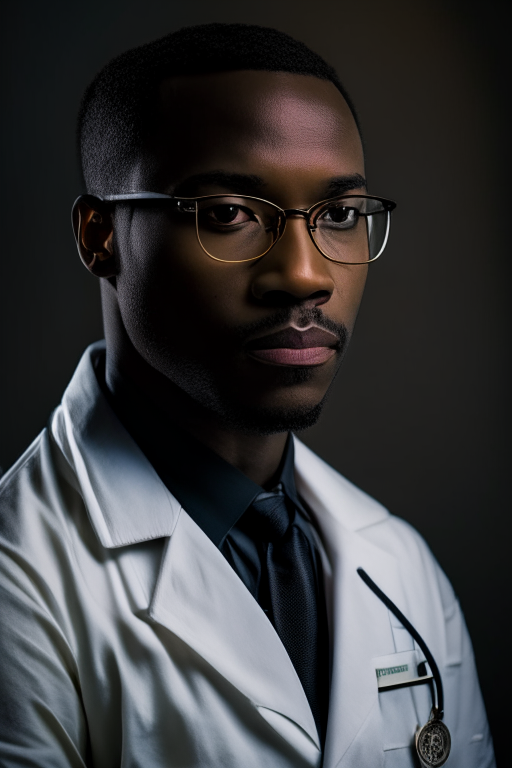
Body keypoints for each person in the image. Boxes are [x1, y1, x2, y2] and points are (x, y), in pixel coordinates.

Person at [0, 22, 495, 768]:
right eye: (229, 213)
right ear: (100, 236)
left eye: (340, 216)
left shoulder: (402, 568)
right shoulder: (20, 582)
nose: (305, 274)